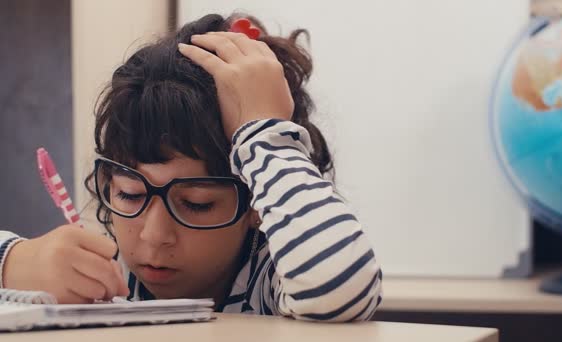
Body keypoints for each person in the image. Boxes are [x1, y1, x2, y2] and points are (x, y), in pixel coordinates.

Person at [0, 13, 382, 322]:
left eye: (197, 203)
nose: (153, 236)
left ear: (256, 205)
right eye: (130, 194)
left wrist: (264, 134)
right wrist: (16, 263)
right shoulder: (105, 273)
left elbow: (340, 284)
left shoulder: (270, 279)